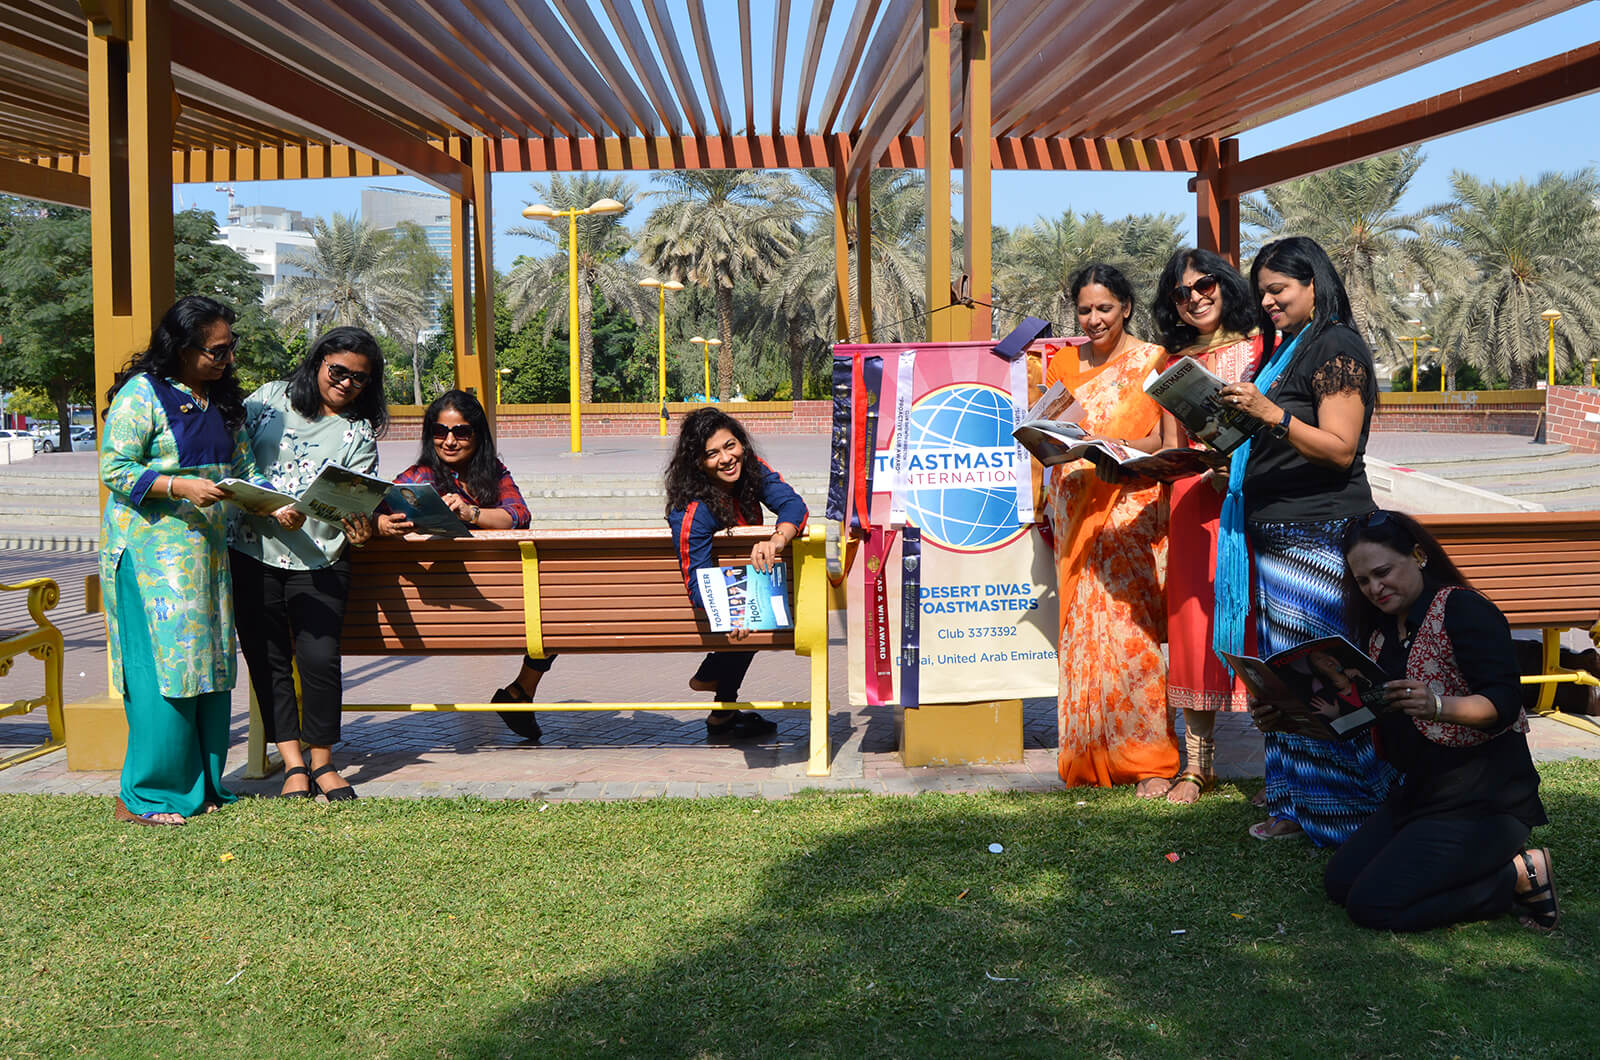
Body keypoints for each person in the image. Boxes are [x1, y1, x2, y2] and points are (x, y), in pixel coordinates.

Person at [1215, 236, 1396, 842]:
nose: (1266, 302)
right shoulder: (1286, 350)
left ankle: (1345, 809)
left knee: (1323, 675)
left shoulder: (1335, 345)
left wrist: (1271, 415)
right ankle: (1296, 803)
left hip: (1320, 535)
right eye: (1261, 292)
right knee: (1286, 677)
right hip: (1276, 535)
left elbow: (1341, 448)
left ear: (1314, 284)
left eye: (1278, 290)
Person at [1323, 511, 1556, 932]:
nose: (1375, 588)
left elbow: (1504, 703)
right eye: (1363, 581)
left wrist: (1437, 705)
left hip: (1484, 802)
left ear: (1418, 555)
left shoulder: (1462, 610)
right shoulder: (1380, 630)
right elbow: (1375, 712)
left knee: (1372, 907)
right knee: (1339, 883)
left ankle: (1518, 875)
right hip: (1420, 795)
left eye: (1383, 572)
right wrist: (1299, 714)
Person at [98, 296, 272, 826]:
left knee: (210, 668)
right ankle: (152, 794)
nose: (228, 360)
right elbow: (115, 468)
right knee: (162, 673)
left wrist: (277, 505)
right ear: (181, 347)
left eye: (230, 348)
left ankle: (203, 786)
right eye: (217, 351)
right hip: (151, 559)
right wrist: (177, 484)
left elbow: (242, 468)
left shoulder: (220, 401)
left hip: (208, 558)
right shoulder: (141, 396)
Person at [228, 326, 386, 801]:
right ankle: (293, 763)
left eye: (359, 379)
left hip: (321, 560)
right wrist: (263, 502)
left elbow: (358, 496)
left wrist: (363, 526)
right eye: (337, 371)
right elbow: (233, 458)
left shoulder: (358, 431)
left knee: (320, 660)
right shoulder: (269, 399)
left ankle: (323, 762)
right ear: (317, 362)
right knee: (268, 658)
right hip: (253, 553)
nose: (346, 384)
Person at [1045, 263, 1178, 794]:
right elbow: (1049, 428)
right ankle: (1086, 750)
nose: (1095, 319)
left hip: (1127, 510)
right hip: (1075, 511)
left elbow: (1164, 442)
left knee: (1129, 634)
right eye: (1085, 309)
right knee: (1080, 635)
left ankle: (1148, 758)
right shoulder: (1063, 362)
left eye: (1105, 308)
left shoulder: (1153, 361)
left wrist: (1117, 452)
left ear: (1126, 306)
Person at [1150, 248, 1263, 805]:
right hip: (1194, 501)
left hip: (1254, 497)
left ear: (1225, 285)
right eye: (1181, 292)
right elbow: (1173, 447)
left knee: (1260, 623)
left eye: (1205, 285)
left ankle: (1285, 763)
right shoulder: (1169, 364)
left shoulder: (1264, 346)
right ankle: (1197, 767)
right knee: (1194, 626)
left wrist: (1239, 466)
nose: (1195, 297)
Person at [376, 389, 546, 741]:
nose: (449, 441)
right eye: (440, 432)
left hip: (459, 608)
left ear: (478, 435)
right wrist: (386, 523)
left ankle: (519, 694)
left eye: (461, 432)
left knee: (549, 608)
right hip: (468, 605)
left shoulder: (493, 473)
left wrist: (470, 513)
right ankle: (519, 691)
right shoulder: (417, 478)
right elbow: (376, 507)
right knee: (551, 612)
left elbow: (519, 515)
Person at [665, 407, 807, 740]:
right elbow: (697, 586)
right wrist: (735, 612)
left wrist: (777, 538)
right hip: (717, 613)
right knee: (764, 609)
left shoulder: (753, 472)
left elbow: (793, 505)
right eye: (712, 453)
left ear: (742, 442)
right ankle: (716, 682)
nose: (727, 458)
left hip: (745, 600)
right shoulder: (692, 512)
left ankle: (721, 707)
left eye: (730, 446)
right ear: (697, 463)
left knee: (761, 605)